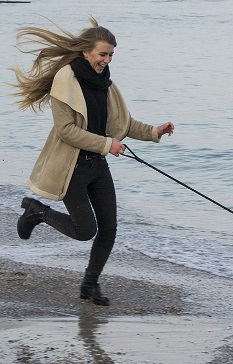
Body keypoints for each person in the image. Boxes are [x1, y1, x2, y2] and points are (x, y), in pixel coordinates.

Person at [11, 17, 174, 306]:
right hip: (71, 168)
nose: (107, 60)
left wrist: (153, 131)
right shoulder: (65, 81)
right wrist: (105, 143)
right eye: (102, 54)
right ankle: (37, 212)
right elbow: (66, 131)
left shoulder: (105, 83)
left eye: (111, 54)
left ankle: (90, 284)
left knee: (109, 228)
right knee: (85, 230)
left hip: (97, 166)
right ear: (86, 51)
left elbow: (121, 123)